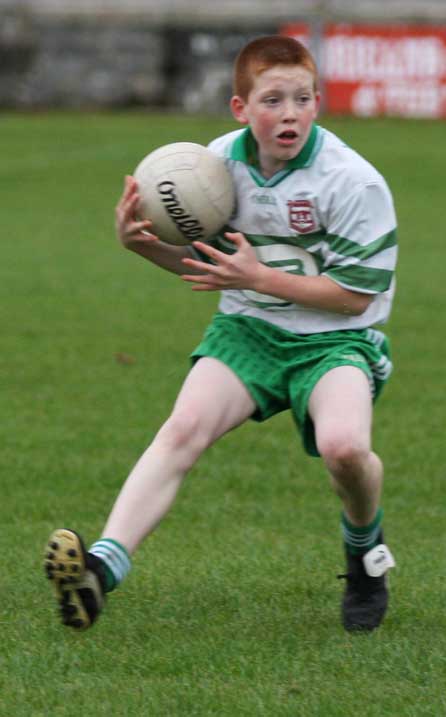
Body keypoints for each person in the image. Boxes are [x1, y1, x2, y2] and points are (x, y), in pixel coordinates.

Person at [44, 35, 397, 633]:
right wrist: (143, 245)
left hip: (335, 339)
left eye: (303, 99)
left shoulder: (352, 182)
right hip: (249, 330)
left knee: (344, 449)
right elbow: (208, 270)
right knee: (182, 431)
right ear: (241, 108)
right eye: (273, 100)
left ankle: (365, 552)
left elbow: (356, 295)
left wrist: (259, 276)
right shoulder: (210, 169)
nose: (289, 113)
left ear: (318, 102)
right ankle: (102, 568)